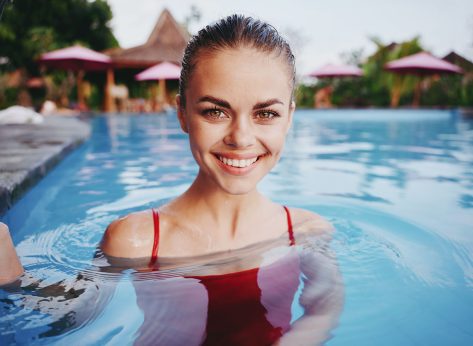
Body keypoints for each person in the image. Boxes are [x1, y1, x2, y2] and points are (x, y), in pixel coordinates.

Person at [1, 15, 343, 345]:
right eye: (215, 111)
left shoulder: (308, 232)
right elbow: (70, 316)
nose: (241, 137)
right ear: (182, 113)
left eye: (266, 113)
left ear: (289, 119)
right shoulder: (137, 241)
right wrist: (13, 278)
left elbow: (324, 310)